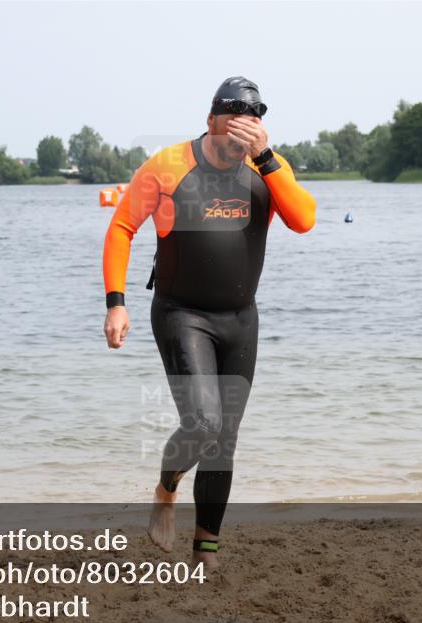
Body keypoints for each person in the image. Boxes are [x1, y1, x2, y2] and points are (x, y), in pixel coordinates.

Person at [102, 76, 316, 566]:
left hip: (241, 318)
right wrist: (117, 302)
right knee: (202, 423)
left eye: (253, 117)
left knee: (225, 439)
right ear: (210, 119)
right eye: (233, 115)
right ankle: (166, 488)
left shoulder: (269, 167)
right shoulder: (170, 165)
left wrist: (266, 160)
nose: (243, 126)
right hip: (182, 313)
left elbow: (303, 220)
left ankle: (206, 549)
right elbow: (121, 227)